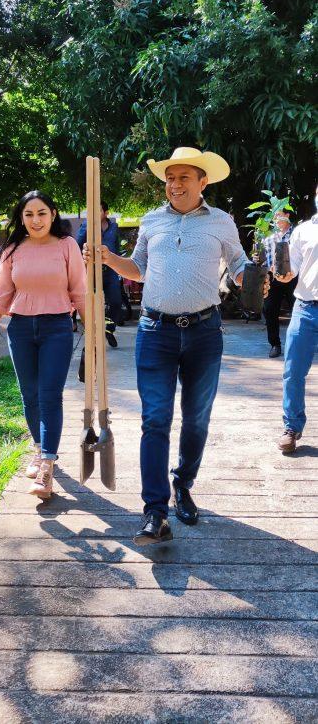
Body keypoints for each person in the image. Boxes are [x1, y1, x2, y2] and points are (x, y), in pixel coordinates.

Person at [83, 147, 269, 545]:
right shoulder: (151, 221)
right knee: (154, 420)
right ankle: (155, 511)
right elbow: (139, 268)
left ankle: (183, 483)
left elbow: (237, 264)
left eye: (184, 177)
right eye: (170, 178)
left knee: (197, 418)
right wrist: (108, 258)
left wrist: (249, 277)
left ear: (203, 182)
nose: (174, 184)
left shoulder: (221, 222)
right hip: (155, 333)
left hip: (204, 333)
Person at [0, 191, 86, 499]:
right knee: (30, 394)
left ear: (53, 214)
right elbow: (2, 295)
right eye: (28, 214)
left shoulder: (67, 246)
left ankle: (48, 464)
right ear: (21, 218)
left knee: (50, 394)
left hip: (57, 328)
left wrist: (94, 329)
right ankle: (38, 449)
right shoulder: (12, 250)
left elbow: (79, 291)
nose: (35, 220)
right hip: (21, 329)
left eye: (41, 213)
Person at [276, 186, 318, 453]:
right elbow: (290, 270)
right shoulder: (303, 231)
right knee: (293, 371)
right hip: (305, 308)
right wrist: (282, 273)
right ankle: (291, 427)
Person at [77, 201, 122, 348]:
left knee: (116, 302)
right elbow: (77, 245)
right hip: (92, 271)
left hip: (111, 271)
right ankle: (93, 336)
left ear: (106, 212)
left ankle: (109, 329)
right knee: (90, 304)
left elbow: (116, 246)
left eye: (99, 210)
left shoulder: (114, 227)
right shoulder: (86, 225)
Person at [263, 210, 297, 357]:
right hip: (274, 279)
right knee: (269, 310)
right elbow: (265, 259)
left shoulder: (297, 234)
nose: (276, 218)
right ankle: (275, 345)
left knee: (299, 310)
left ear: (288, 215)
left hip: (294, 278)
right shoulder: (269, 238)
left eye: (279, 214)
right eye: (274, 215)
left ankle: (299, 344)